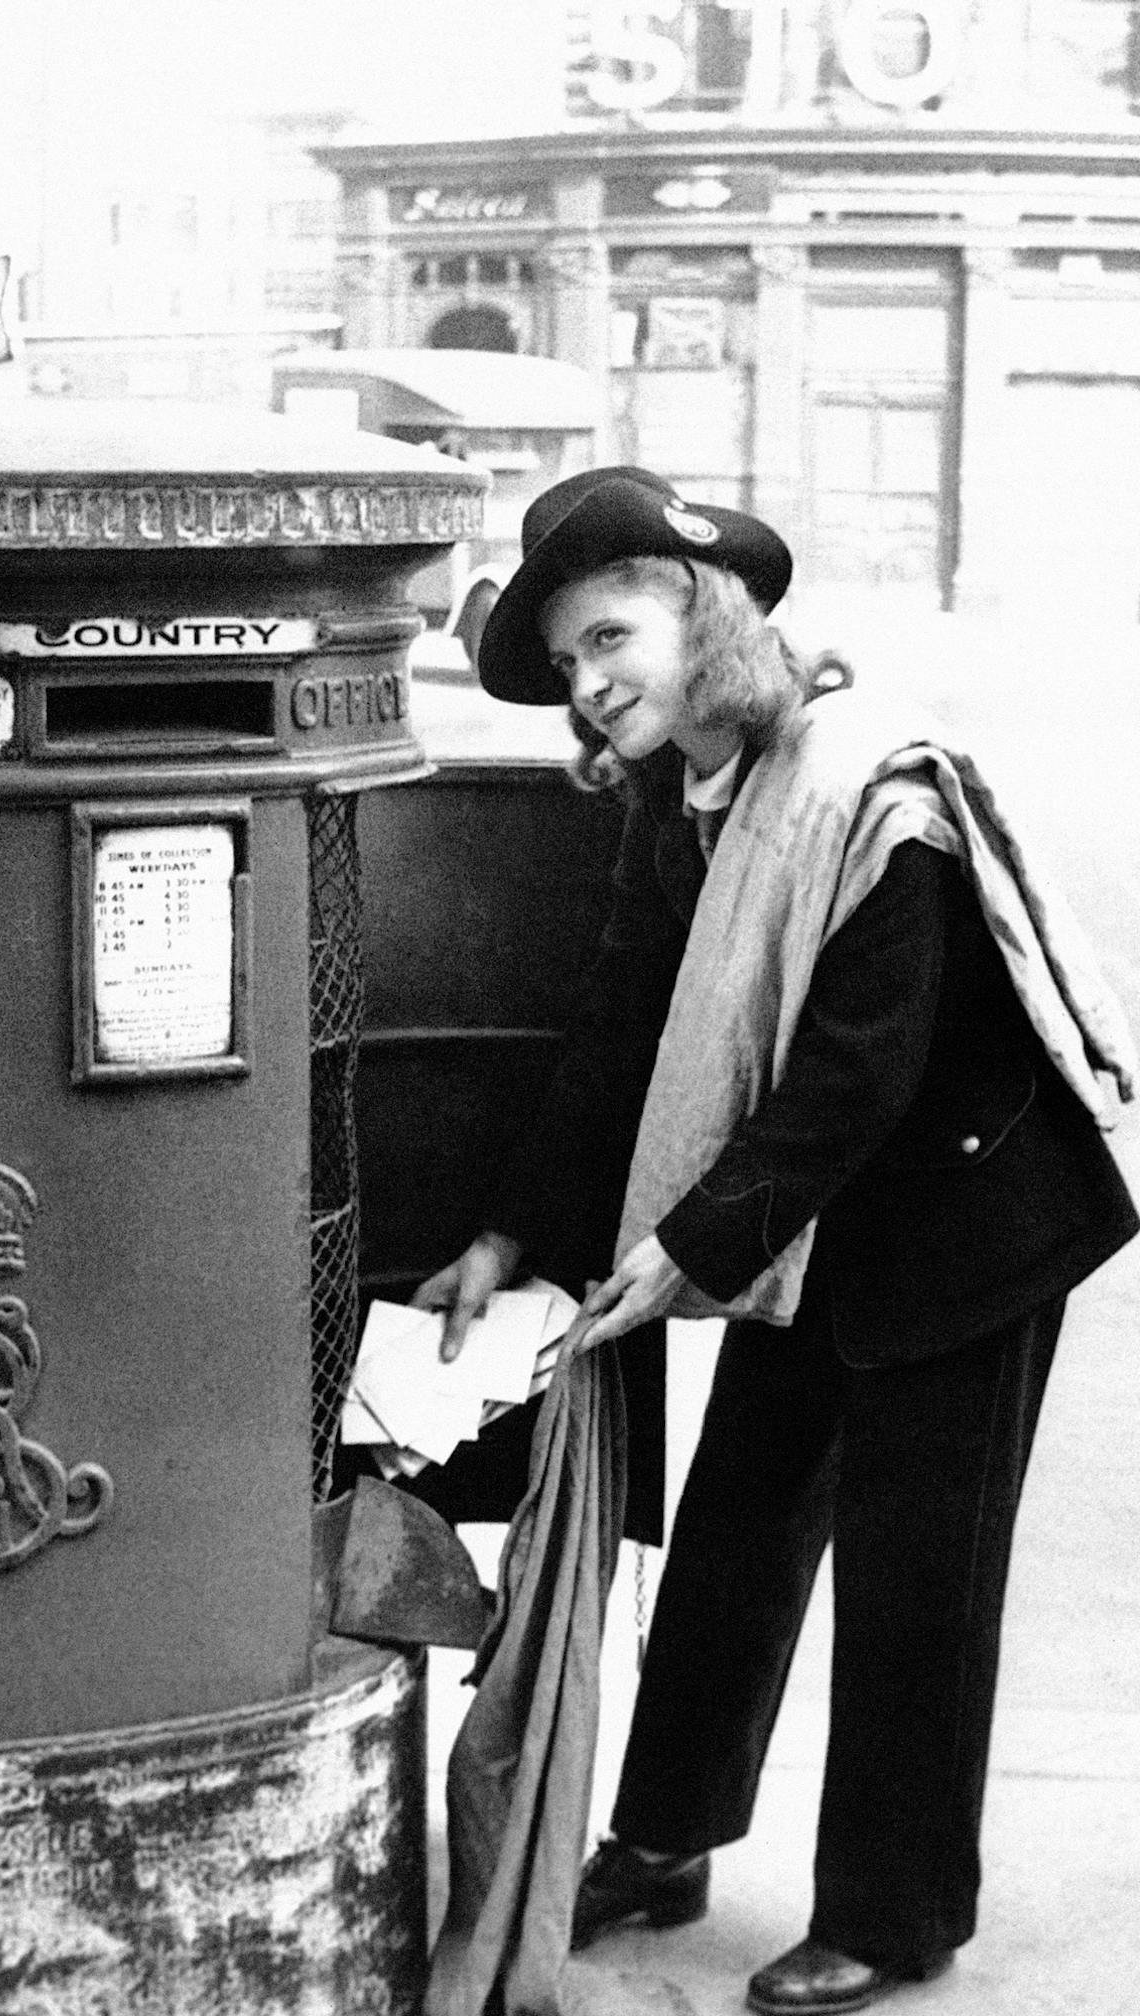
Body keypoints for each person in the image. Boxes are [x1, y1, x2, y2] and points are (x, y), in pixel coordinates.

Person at [412, 465, 1138, 2016]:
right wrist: (510, 1231)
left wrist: (693, 1246)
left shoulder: (875, 791)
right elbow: (622, 1023)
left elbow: (853, 1077)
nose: (592, 687)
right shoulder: (689, 789)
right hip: (808, 1225)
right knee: (736, 1528)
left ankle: (894, 1912)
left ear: (702, 610)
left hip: (963, 1219)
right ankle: (667, 1839)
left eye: (609, 640)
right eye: (568, 670)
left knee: (915, 1581)